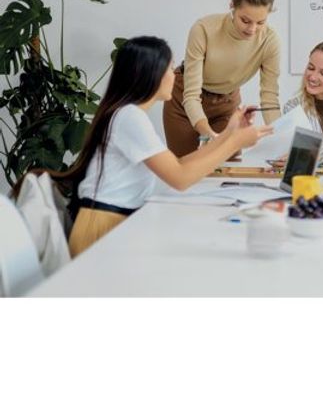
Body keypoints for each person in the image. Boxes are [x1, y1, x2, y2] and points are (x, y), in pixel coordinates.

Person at [36, 36, 272, 257]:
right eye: (170, 68)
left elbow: (177, 164)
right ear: (151, 73)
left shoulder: (128, 114)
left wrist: (230, 133)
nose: (175, 75)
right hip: (102, 228)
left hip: (107, 222)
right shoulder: (130, 117)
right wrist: (235, 142)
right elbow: (180, 178)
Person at [163, 0, 281, 156]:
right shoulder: (203, 29)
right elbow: (191, 96)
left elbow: (269, 97)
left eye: (261, 22)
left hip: (227, 103)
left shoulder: (270, 41)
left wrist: (281, 140)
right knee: (186, 165)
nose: (252, 29)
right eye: (245, 20)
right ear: (232, 6)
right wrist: (210, 135)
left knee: (228, 164)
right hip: (184, 99)